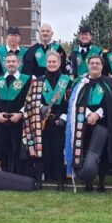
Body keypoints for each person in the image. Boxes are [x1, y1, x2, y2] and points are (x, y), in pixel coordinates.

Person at [64, 55, 112, 192]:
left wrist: (97, 114)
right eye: (92, 63)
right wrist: (87, 114)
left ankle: (101, 182)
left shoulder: (110, 82)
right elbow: (76, 101)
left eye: (98, 63)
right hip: (83, 122)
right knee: (84, 150)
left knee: (101, 153)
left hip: (103, 121)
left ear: (102, 66)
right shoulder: (81, 83)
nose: (95, 65)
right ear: (88, 65)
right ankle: (88, 182)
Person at [23, 50, 72, 190]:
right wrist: (41, 108)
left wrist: (63, 118)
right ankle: (39, 181)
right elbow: (29, 101)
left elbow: (70, 103)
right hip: (41, 122)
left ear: (59, 63)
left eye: (54, 62)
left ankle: (60, 182)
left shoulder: (66, 81)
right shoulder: (38, 81)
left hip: (59, 122)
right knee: (40, 151)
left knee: (57, 152)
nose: (51, 64)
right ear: (45, 63)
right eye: (49, 62)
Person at [0, 52, 32, 174]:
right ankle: (3, 176)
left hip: (19, 121)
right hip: (1, 121)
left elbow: (30, 100)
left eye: (13, 61)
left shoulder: (27, 79)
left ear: (19, 63)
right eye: (8, 62)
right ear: (4, 64)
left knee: (17, 150)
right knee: (2, 149)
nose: (11, 64)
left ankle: (17, 176)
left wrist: (20, 114)